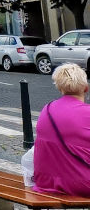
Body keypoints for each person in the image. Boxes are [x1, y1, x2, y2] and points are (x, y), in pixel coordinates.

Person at [32, 63, 90, 196]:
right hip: (82, 183)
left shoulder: (47, 109)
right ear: (86, 88)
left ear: (60, 89)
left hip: (46, 182)